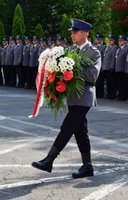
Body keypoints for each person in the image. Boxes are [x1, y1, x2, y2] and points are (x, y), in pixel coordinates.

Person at [31, 18, 101, 179]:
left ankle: (49, 160)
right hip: (73, 97)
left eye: (75, 32)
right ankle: (87, 166)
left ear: (85, 33)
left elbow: (92, 76)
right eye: (72, 32)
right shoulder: (73, 51)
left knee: (67, 128)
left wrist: (72, 67)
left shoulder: (93, 52)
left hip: (84, 98)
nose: (72, 35)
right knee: (80, 132)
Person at [115, 35, 128, 101]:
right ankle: (121, 95)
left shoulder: (127, 49)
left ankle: (125, 96)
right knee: (120, 83)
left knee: (124, 83)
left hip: (123, 68)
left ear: (124, 42)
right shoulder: (118, 49)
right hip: (118, 69)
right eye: (119, 41)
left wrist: (126, 69)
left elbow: (127, 60)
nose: (119, 42)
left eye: (121, 41)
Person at [102, 35, 118, 99]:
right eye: (109, 40)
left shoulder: (114, 48)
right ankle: (108, 94)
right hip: (105, 67)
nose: (109, 41)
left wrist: (112, 66)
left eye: (111, 40)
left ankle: (113, 94)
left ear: (113, 41)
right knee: (108, 82)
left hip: (110, 67)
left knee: (112, 82)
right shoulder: (107, 47)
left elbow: (113, 58)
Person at [95, 34, 106, 98]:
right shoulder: (95, 46)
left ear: (101, 40)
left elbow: (103, 57)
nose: (97, 40)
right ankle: (97, 93)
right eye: (97, 39)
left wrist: (102, 66)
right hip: (95, 66)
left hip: (100, 66)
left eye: (99, 39)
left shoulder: (104, 47)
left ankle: (101, 93)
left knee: (100, 81)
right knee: (96, 81)